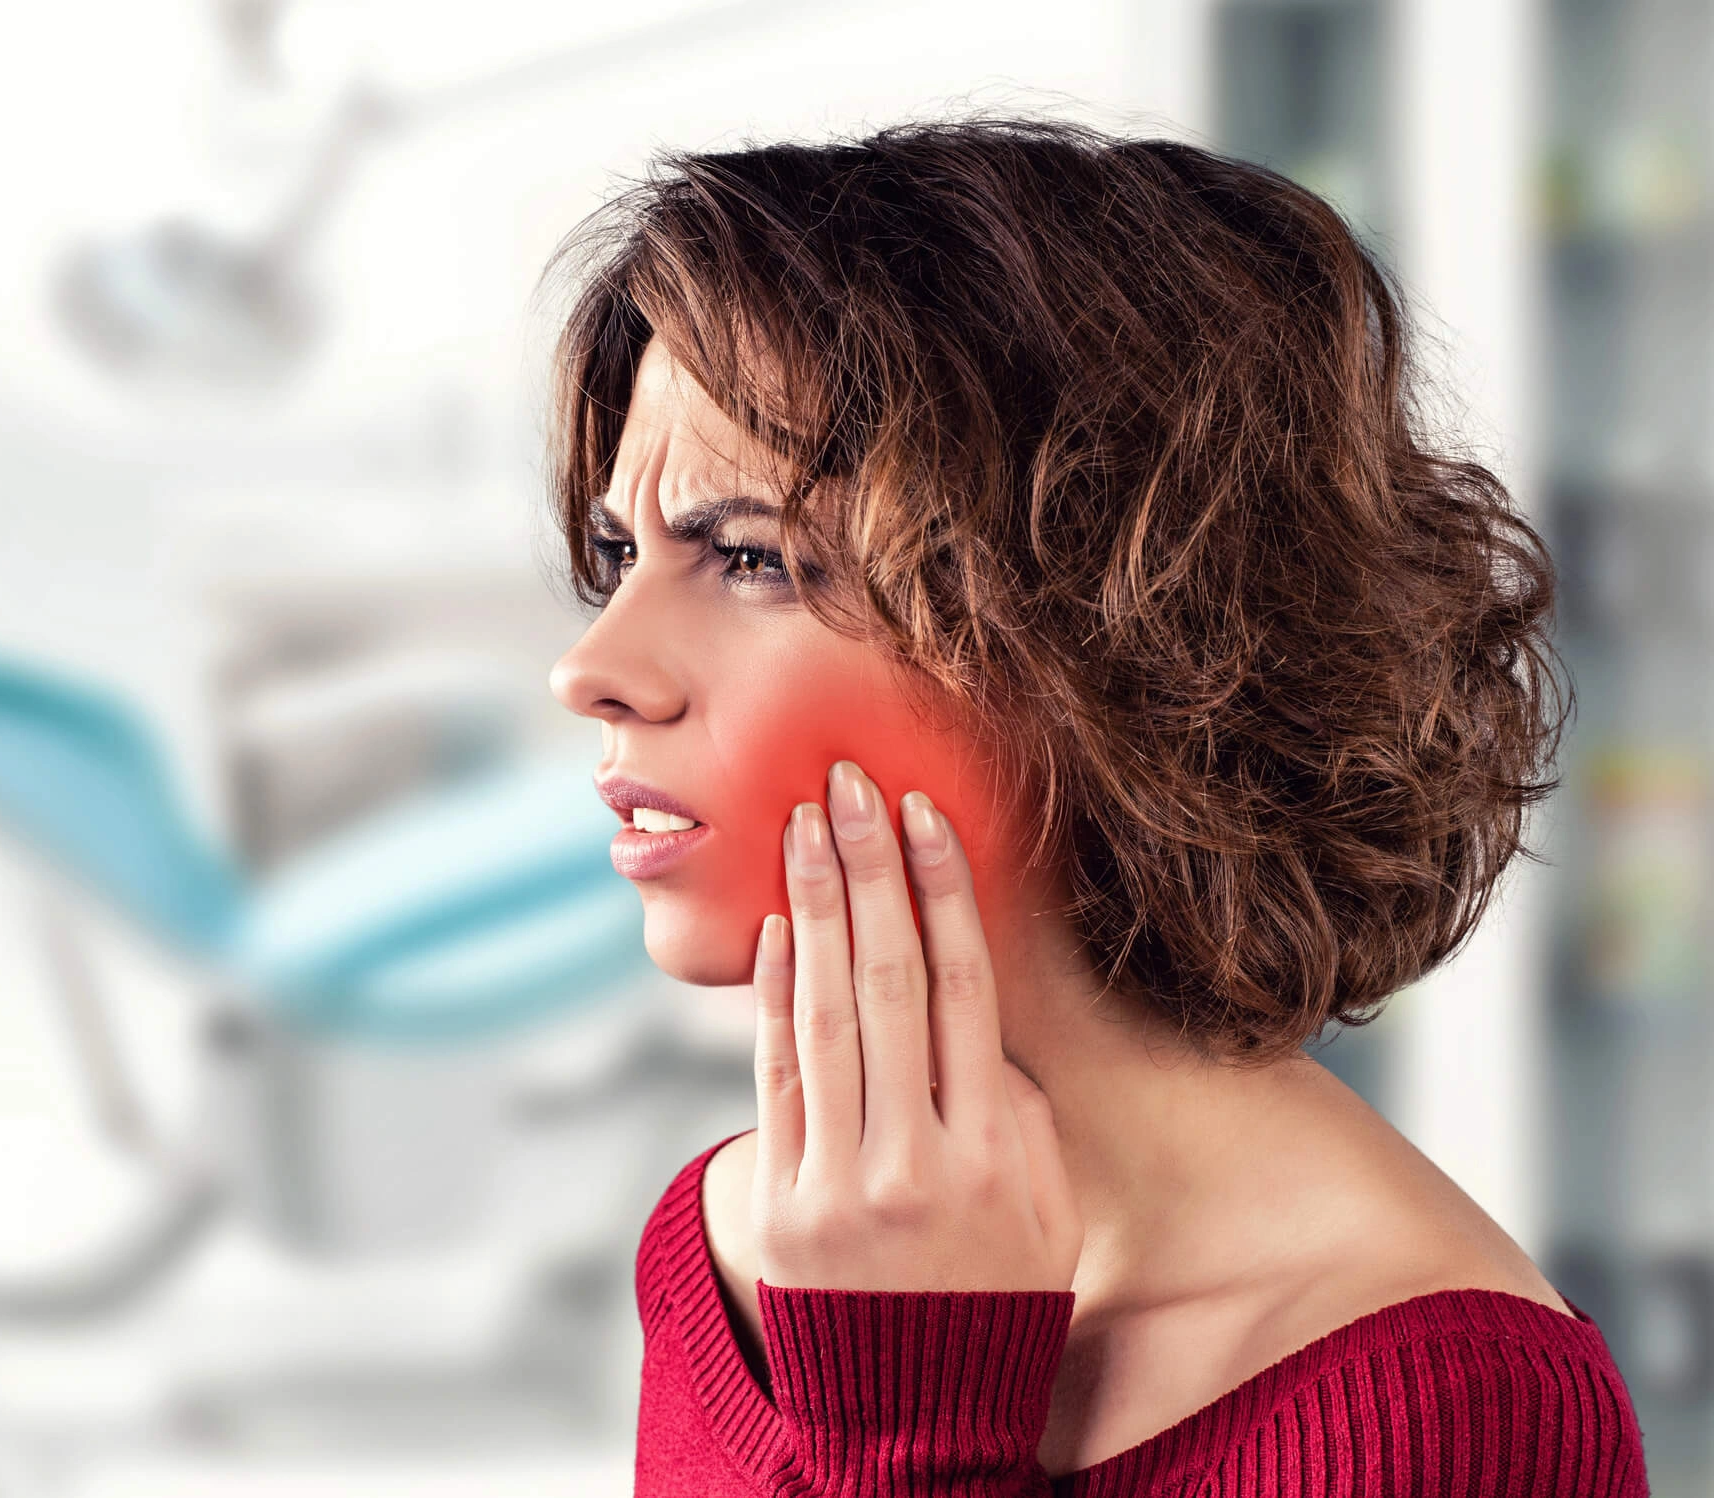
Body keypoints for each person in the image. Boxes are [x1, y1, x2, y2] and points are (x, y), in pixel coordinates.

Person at [542, 115, 1648, 1496]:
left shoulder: (1457, 1412)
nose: (593, 670)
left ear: (1101, 633)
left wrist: (908, 1430)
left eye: (753, 558)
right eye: (616, 550)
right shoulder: (721, 1257)